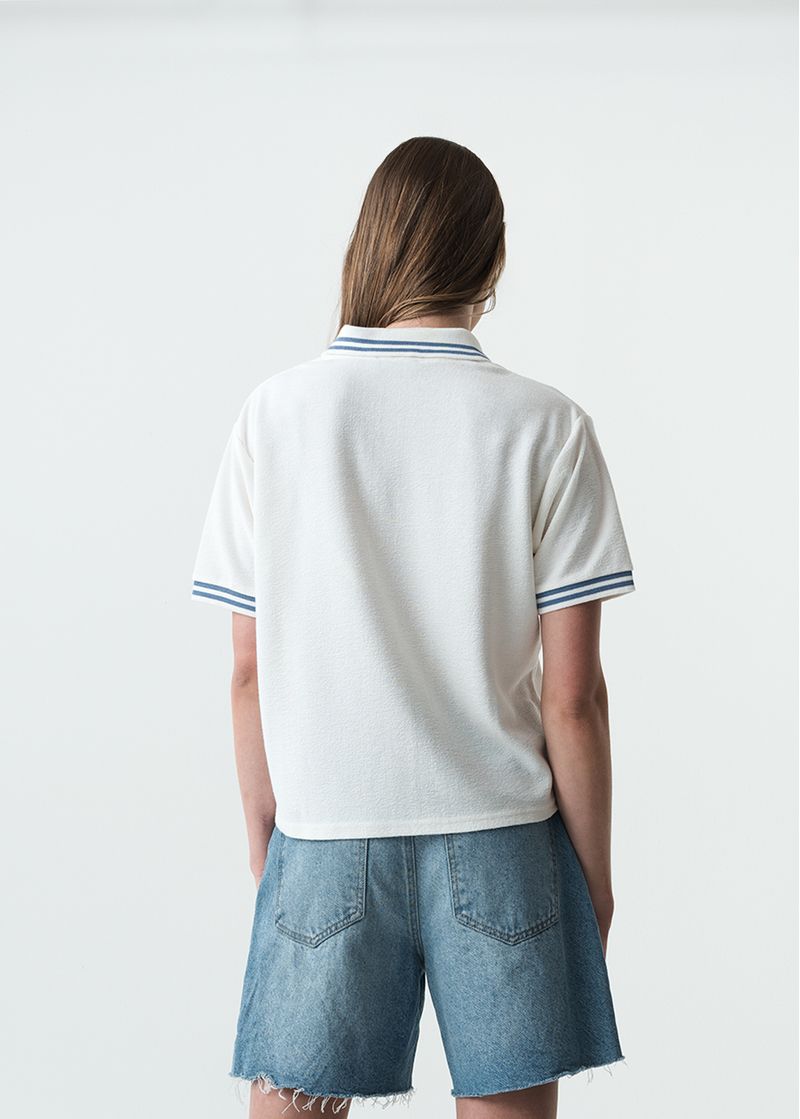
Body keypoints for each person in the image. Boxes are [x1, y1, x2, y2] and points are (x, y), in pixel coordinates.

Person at [190, 136, 636, 1119]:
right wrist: (593, 880)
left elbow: (248, 671)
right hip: (504, 836)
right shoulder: (546, 425)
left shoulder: (276, 414)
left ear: (372, 243)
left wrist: (272, 848)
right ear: (492, 256)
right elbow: (573, 696)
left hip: (326, 829)